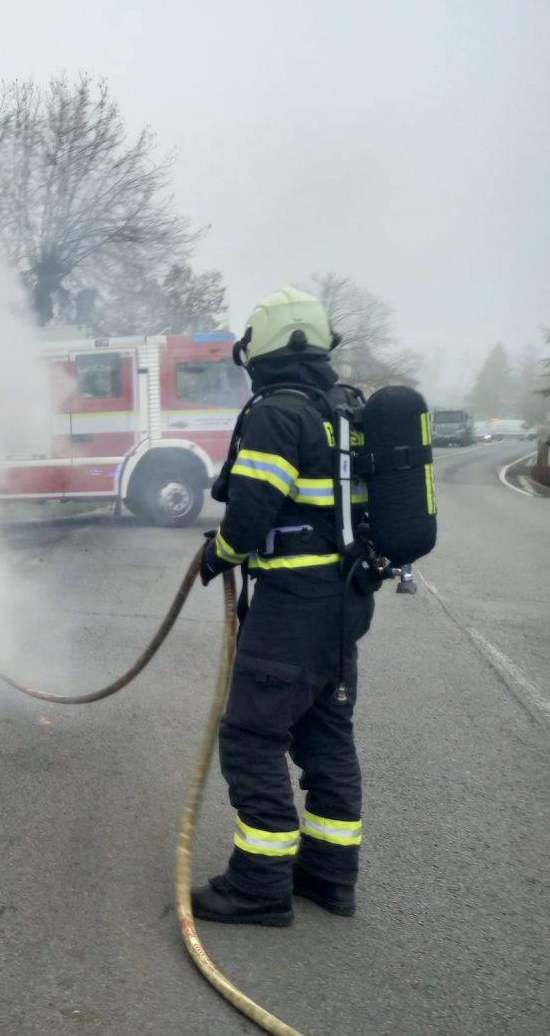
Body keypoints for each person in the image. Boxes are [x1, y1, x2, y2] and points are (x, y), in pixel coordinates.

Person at [192, 287, 376, 926]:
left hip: (293, 606)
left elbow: (253, 507)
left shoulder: (279, 412)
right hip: (343, 605)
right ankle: (329, 876)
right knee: (325, 734)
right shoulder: (342, 408)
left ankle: (260, 885)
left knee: (250, 735)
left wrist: (219, 552)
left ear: (260, 350)